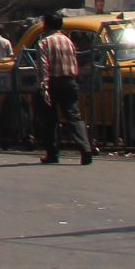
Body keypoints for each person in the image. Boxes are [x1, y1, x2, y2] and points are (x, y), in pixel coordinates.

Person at [32, 10, 94, 166]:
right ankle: (85, 147)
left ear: (47, 26)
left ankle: (52, 153)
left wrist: (44, 86)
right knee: (74, 116)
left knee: (49, 119)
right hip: (69, 81)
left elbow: (43, 66)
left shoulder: (44, 43)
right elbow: (74, 62)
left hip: (52, 82)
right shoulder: (68, 41)